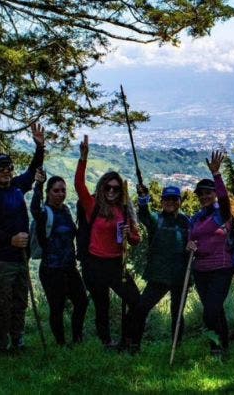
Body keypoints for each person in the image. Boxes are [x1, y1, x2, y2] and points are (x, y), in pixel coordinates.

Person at [0, 123, 45, 354]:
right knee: (2, 305)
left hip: (20, 257)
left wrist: (39, 147)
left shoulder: (15, 187)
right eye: (0, 168)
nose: (5, 171)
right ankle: (1, 347)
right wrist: (10, 240)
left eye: (8, 167)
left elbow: (32, 171)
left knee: (20, 302)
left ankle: (18, 341)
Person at [73, 135, 141, 349]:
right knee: (102, 306)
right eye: (108, 187)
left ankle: (128, 338)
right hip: (94, 264)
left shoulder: (125, 210)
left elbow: (136, 240)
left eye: (116, 188)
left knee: (135, 301)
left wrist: (130, 234)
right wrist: (83, 158)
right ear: (102, 188)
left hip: (116, 265)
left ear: (121, 191)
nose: (111, 191)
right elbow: (79, 185)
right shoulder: (92, 206)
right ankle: (107, 341)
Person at [124, 182, 190, 352]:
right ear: (161, 201)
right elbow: (144, 214)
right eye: (167, 199)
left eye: (174, 199)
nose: (170, 202)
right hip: (158, 276)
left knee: (177, 314)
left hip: (180, 275)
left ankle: (177, 347)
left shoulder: (187, 222)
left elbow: (195, 241)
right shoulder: (156, 219)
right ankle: (134, 345)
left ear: (179, 201)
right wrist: (143, 197)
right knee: (141, 309)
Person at [31, 169, 88, 346]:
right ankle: (61, 344)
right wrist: (38, 186)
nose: (61, 194)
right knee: (57, 307)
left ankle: (77, 338)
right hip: (51, 269)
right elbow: (34, 208)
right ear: (48, 193)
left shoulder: (66, 211)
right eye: (56, 190)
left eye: (63, 190)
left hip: (69, 267)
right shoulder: (43, 213)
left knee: (82, 301)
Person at [186, 151, 234, 356]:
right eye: (201, 194)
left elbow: (225, 200)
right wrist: (189, 244)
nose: (205, 196)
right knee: (216, 310)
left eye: (209, 192)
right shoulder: (195, 218)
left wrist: (217, 175)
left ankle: (215, 347)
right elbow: (190, 239)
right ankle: (224, 347)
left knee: (210, 311)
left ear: (214, 193)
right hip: (200, 270)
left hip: (221, 268)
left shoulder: (221, 214)